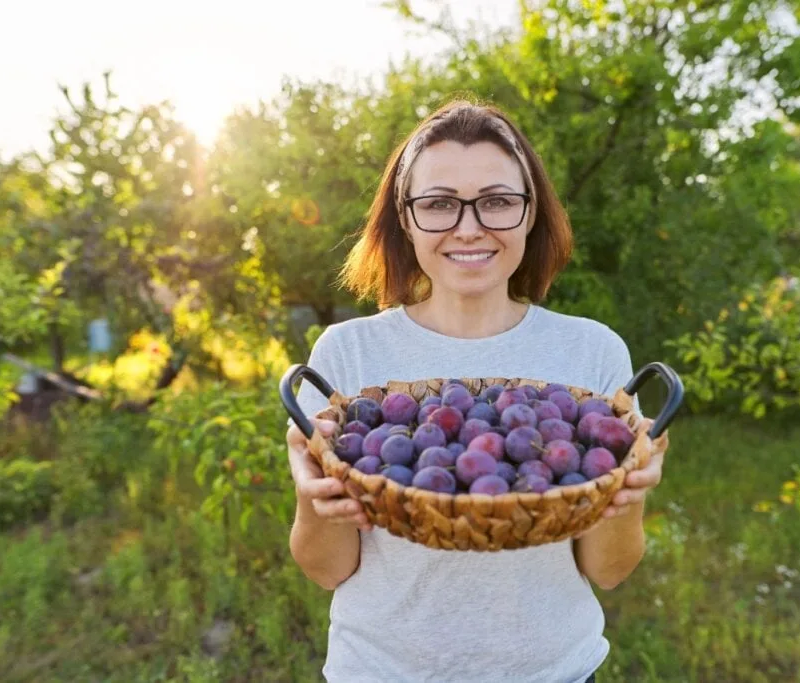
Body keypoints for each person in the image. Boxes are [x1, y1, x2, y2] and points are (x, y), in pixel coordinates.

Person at [285, 99, 668, 683]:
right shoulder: (348, 355)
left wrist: (628, 490)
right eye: (439, 204)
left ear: (530, 212)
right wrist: (316, 496)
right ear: (406, 218)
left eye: (496, 201)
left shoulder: (592, 354)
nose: (470, 226)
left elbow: (609, 571)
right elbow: (327, 569)